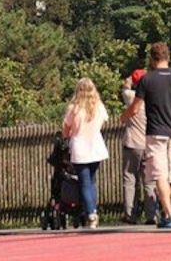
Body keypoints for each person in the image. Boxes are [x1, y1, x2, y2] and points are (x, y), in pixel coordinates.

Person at [120, 42, 171, 229]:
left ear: (152, 59)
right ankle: (168, 210)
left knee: (160, 175)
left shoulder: (147, 80)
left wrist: (124, 116)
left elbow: (136, 107)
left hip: (156, 132)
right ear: (168, 57)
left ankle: (168, 214)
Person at [62, 77, 109, 228]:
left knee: (84, 182)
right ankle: (91, 209)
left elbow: (66, 127)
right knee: (92, 181)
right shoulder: (99, 106)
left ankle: (90, 212)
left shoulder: (74, 108)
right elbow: (103, 122)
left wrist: (66, 137)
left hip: (80, 145)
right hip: (95, 144)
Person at [121, 68, 158, 224]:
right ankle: (152, 215)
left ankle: (130, 214)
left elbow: (125, 87)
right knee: (149, 180)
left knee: (130, 178)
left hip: (132, 143)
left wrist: (130, 79)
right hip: (149, 142)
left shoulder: (132, 98)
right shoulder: (154, 98)